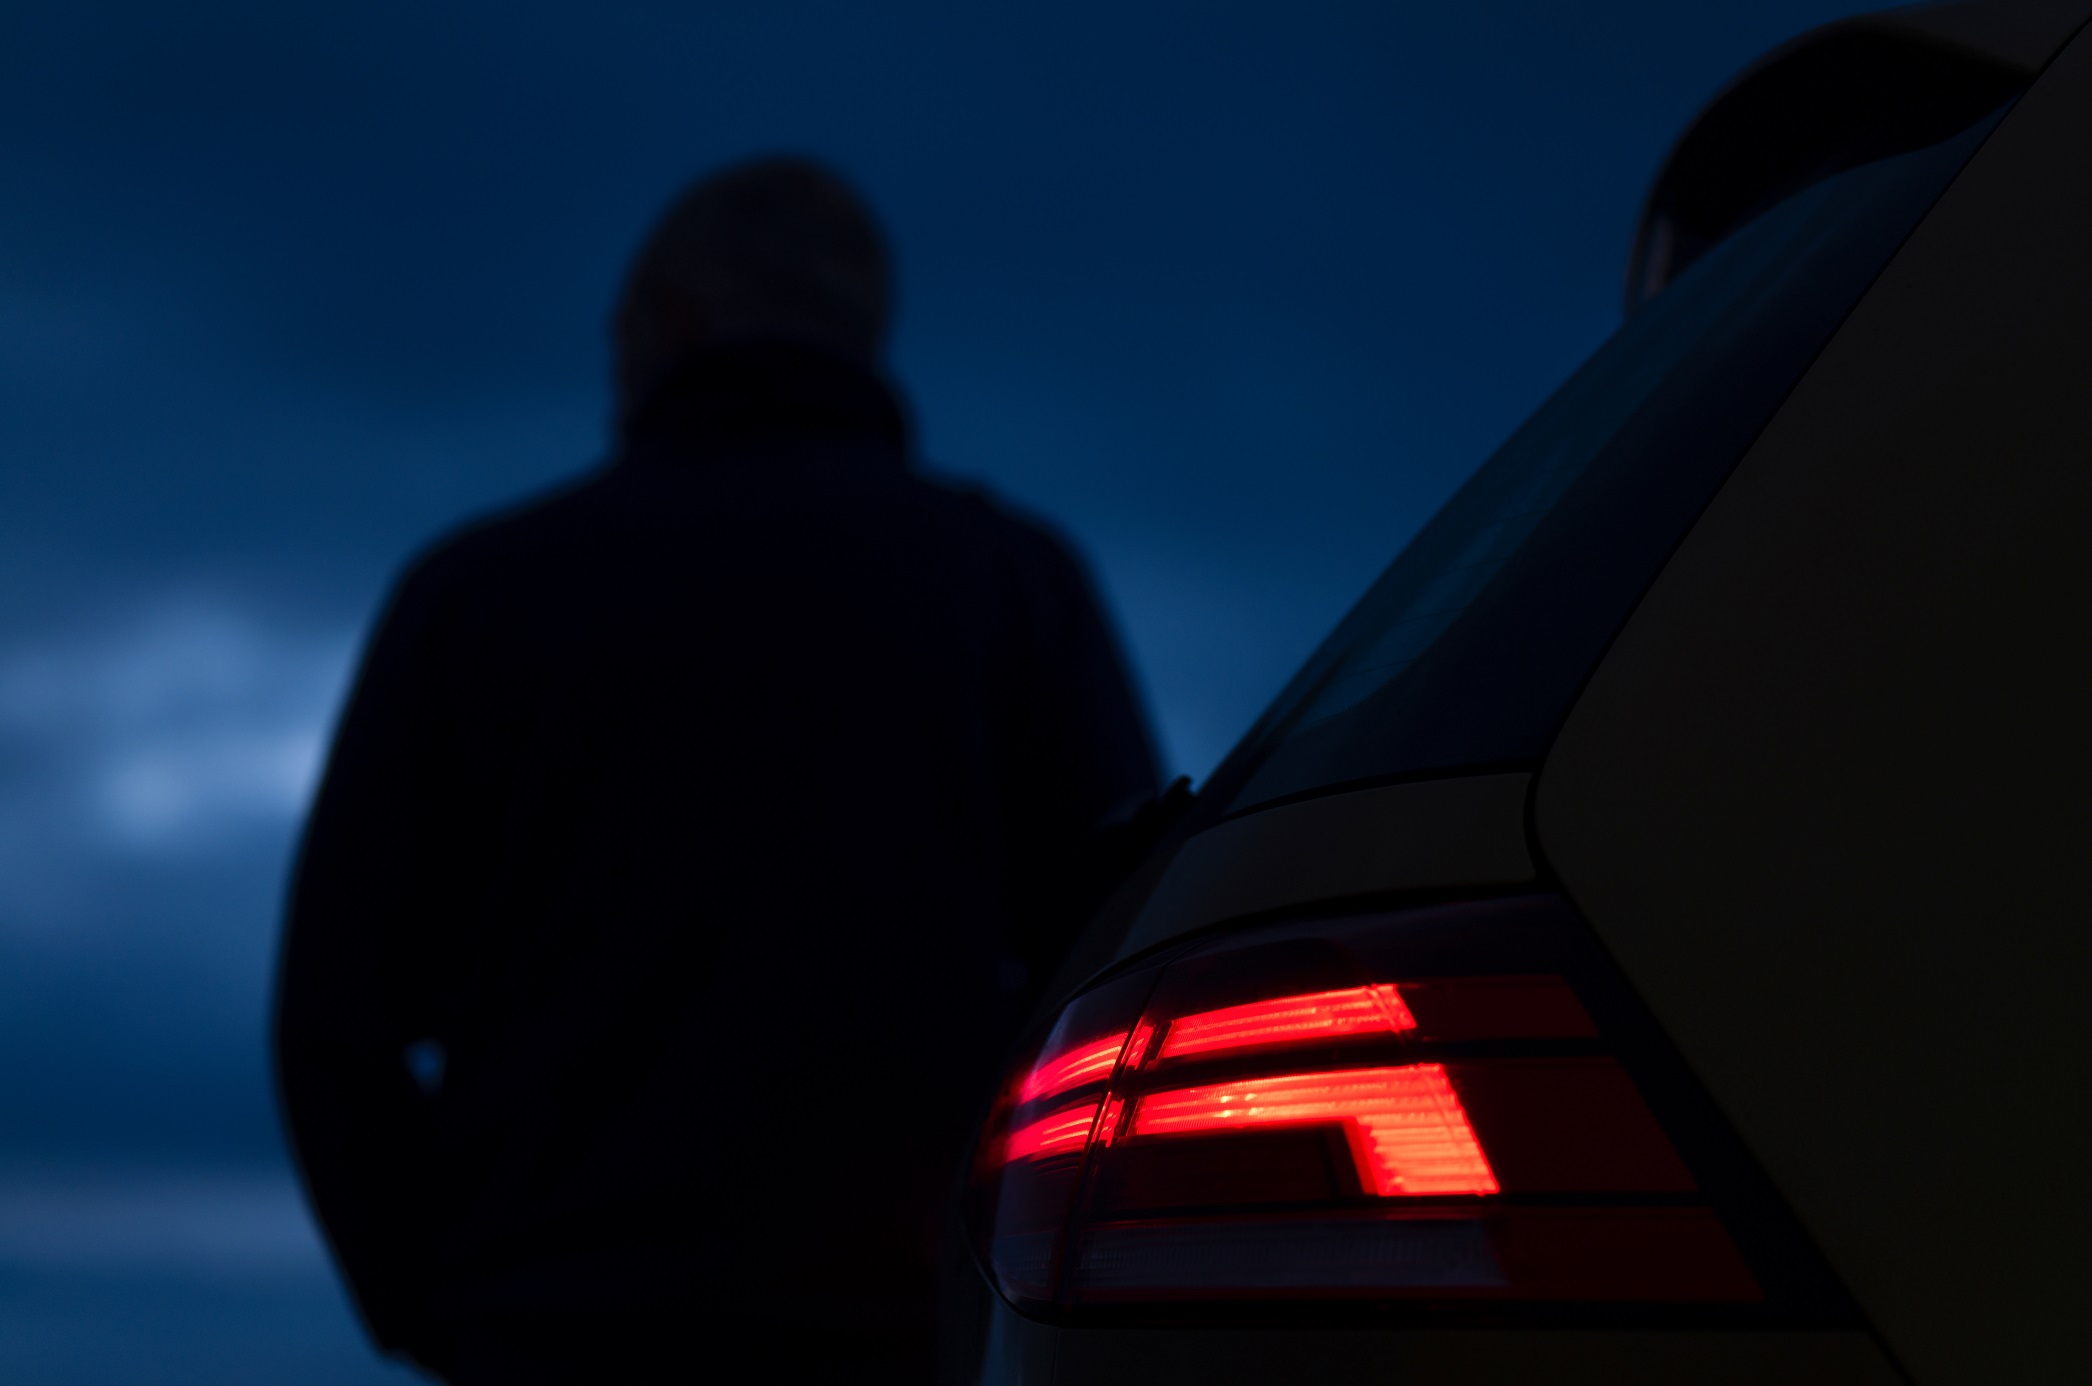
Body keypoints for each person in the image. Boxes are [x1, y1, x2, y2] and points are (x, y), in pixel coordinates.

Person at [272, 155, 1159, 1383]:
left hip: (550, 1331)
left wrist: (437, 1305)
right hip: (904, 1335)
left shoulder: (473, 597)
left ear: (660, 328)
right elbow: (1118, 965)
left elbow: (333, 1020)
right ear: (859, 341)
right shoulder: (1012, 585)